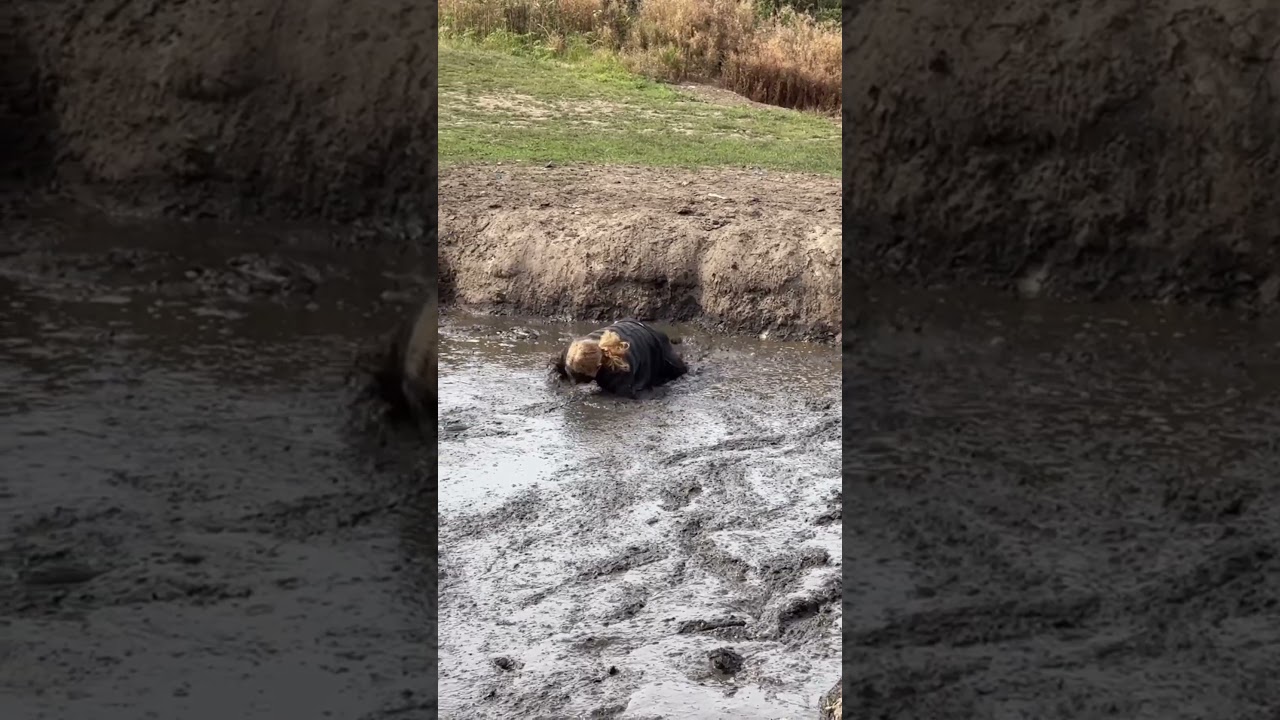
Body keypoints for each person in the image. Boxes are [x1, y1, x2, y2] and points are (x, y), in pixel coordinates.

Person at [552, 319, 688, 398]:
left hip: (654, 342)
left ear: (598, 368)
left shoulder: (619, 374)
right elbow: (555, 367)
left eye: (579, 374)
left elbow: (636, 397)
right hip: (626, 324)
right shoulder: (572, 351)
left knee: (681, 372)